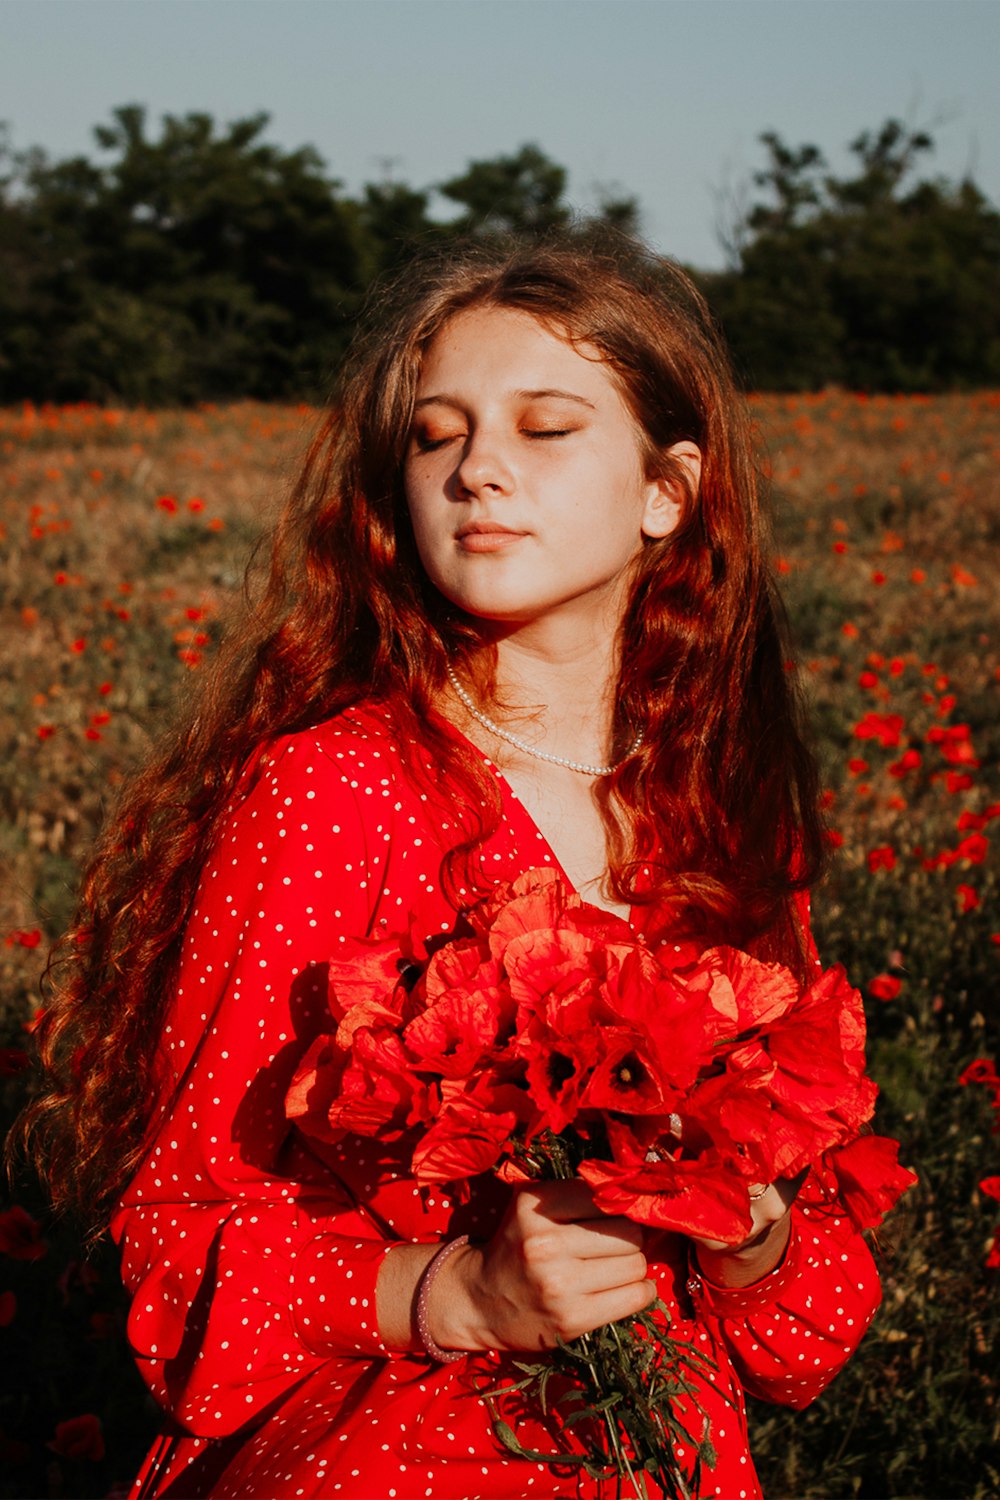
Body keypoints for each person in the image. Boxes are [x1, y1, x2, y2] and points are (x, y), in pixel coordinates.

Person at [25, 233, 882, 1499]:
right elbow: (177, 1246)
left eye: (543, 428)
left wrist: (749, 1233)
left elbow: (797, 1340)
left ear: (668, 489)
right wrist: (455, 1294)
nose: (478, 469)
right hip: (391, 1458)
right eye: (436, 436)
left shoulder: (723, 821)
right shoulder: (334, 790)